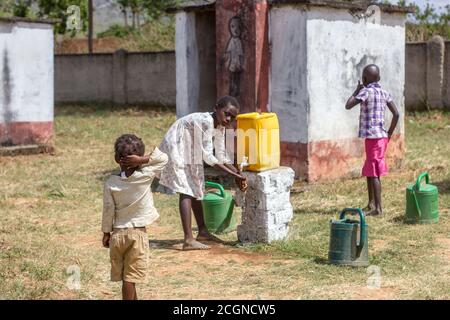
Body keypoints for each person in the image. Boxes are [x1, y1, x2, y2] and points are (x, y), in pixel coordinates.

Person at [121, 96, 247, 250]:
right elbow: (208, 157)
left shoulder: (220, 127)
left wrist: (238, 174)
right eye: (226, 113)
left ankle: (203, 232)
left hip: (190, 149)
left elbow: (221, 156)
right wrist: (235, 175)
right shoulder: (207, 122)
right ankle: (188, 239)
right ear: (216, 108)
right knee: (186, 189)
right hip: (177, 143)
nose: (229, 119)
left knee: (196, 186)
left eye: (233, 117)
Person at [102, 134, 168, 300]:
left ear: (117, 159)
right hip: (137, 234)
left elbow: (108, 210)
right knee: (130, 279)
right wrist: (142, 160)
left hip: (117, 235)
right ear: (137, 158)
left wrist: (105, 233)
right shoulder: (145, 175)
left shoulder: (111, 182)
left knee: (127, 277)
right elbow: (163, 158)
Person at [345, 64, 399, 216]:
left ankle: (378, 209)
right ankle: (371, 203)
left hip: (373, 138)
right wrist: (388, 134)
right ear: (379, 78)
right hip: (381, 137)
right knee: (370, 169)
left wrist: (356, 90)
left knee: (374, 171)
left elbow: (348, 105)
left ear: (364, 79)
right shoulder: (384, 93)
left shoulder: (365, 92)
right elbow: (396, 114)